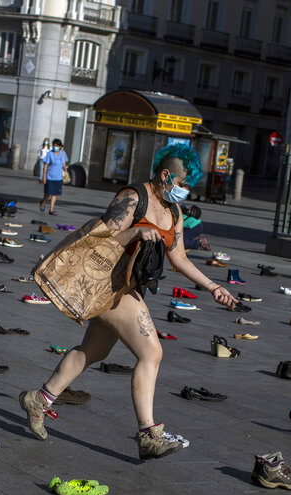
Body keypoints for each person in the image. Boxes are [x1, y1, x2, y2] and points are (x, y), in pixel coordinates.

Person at [20, 143, 238, 459]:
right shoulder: (133, 198)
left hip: (126, 286)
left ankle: (39, 399)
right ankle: (148, 434)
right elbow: (99, 239)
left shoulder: (173, 211)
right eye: (184, 184)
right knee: (151, 352)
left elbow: (179, 258)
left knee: (93, 351)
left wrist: (214, 287)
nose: (186, 191)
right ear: (166, 176)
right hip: (110, 285)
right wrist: (135, 232)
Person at [39, 138, 68, 215]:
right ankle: (43, 202)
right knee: (48, 193)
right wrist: (44, 177)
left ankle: (51, 209)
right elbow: (45, 166)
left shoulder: (63, 153)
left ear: (60, 146)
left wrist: (65, 168)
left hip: (58, 178)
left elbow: (64, 164)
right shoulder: (50, 153)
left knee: (55, 194)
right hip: (49, 177)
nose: (55, 147)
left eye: (57, 146)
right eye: (54, 145)